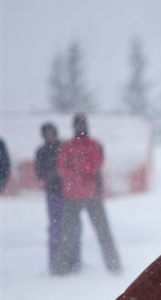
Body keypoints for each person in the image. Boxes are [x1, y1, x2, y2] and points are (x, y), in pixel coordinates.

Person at [56, 113, 121, 274]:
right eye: (77, 125)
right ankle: (62, 268)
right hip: (74, 195)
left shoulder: (92, 145)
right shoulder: (68, 146)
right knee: (68, 234)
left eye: (81, 124)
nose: (80, 128)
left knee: (101, 231)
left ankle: (114, 266)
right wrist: (79, 172)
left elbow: (94, 165)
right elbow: (63, 167)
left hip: (89, 194)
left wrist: (76, 171)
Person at [34, 122, 67, 274]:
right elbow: (39, 172)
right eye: (47, 133)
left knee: (71, 228)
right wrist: (52, 175)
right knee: (55, 228)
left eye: (52, 132)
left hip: (68, 193)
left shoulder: (64, 147)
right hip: (53, 193)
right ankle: (55, 263)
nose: (50, 135)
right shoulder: (41, 151)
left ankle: (71, 261)